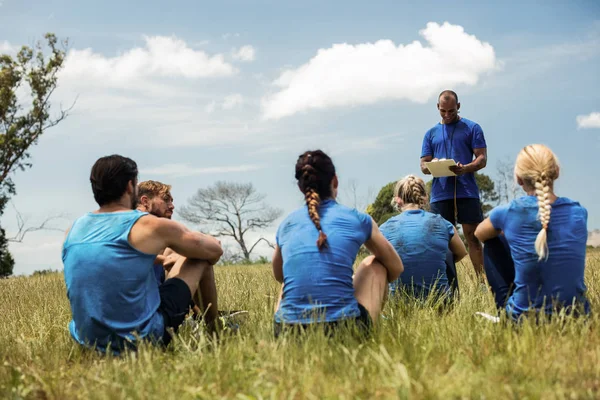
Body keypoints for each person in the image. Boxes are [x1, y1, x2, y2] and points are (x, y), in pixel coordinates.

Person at [62, 155, 223, 353]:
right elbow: (214, 251)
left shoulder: (73, 229)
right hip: (141, 339)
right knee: (199, 257)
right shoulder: (146, 224)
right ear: (131, 187)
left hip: (87, 341)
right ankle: (216, 331)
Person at [272, 150, 404, 336]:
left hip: (287, 333)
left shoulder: (286, 224)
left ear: (301, 187)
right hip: (343, 329)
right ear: (335, 181)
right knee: (375, 264)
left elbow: (279, 275)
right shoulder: (358, 219)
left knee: (288, 280)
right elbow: (396, 268)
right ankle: (371, 332)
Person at [474, 144, 590, 321]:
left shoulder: (508, 212)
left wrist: (509, 233)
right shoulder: (579, 212)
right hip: (577, 316)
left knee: (492, 241)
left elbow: (479, 234)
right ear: (556, 172)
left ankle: (506, 312)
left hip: (524, 319)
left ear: (519, 179)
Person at [420, 90, 487, 278]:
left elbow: (482, 159)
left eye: (451, 111)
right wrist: (434, 166)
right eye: (443, 111)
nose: (447, 115)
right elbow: (423, 165)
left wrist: (465, 168)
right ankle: (448, 285)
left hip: (467, 191)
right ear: (438, 108)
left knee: (473, 238)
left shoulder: (472, 128)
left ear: (458, 106)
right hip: (440, 193)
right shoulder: (430, 134)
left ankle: (482, 284)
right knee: (442, 241)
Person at [380, 175, 467, 302]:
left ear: (398, 200)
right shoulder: (443, 223)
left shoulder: (384, 228)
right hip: (440, 301)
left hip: (399, 302)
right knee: (447, 252)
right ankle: (451, 300)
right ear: (425, 199)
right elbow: (461, 252)